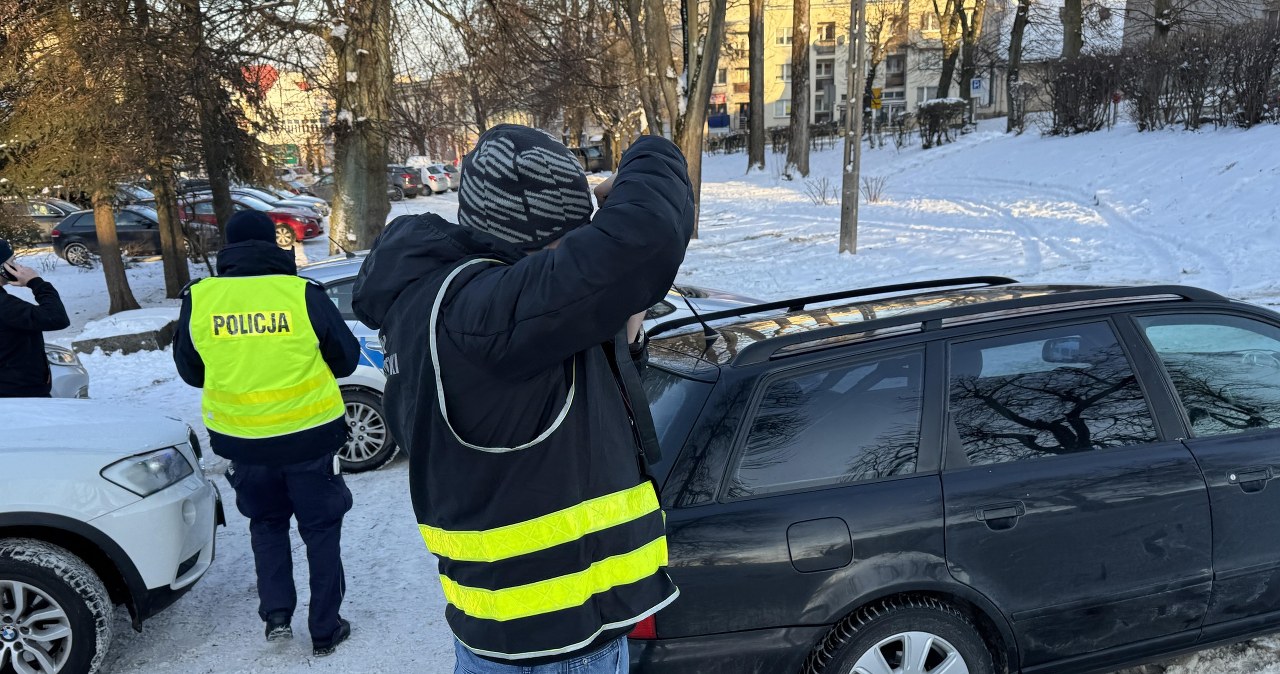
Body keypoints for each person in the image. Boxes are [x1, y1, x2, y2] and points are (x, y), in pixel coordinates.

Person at [351, 125, 693, 672]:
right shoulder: (484, 316)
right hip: (552, 647)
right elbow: (647, 237)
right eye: (568, 243)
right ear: (524, 242)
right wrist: (646, 155)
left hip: (521, 633)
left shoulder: (438, 304)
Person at [172, 211, 359, 657]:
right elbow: (347, 359)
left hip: (244, 444)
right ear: (273, 244)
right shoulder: (300, 294)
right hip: (310, 437)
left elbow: (191, 371)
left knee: (267, 525)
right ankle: (324, 629)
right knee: (320, 529)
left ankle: (277, 615)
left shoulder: (200, 299)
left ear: (227, 249)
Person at [0, 239, 70, 398]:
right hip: (20, 398)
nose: (19, 267)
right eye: (13, 262)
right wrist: (36, 283)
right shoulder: (4, 306)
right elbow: (56, 317)